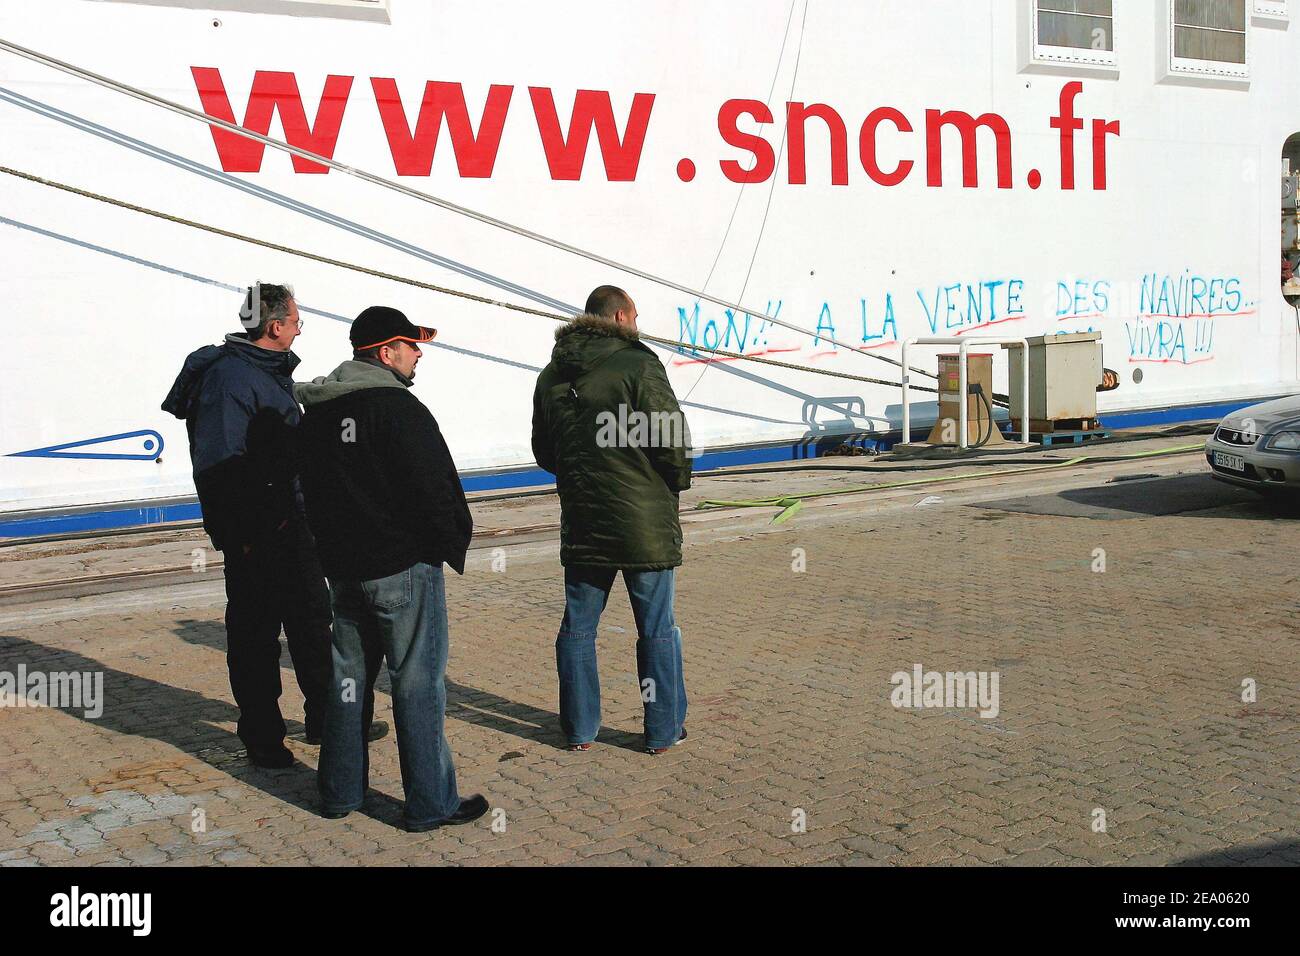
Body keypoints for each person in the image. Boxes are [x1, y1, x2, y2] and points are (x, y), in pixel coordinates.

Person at [162, 284, 385, 769]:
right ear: (275, 326)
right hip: (258, 534)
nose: (301, 329)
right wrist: (242, 535)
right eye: (297, 321)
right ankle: (263, 739)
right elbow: (219, 466)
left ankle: (329, 721)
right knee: (256, 637)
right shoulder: (231, 380)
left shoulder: (265, 373)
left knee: (310, 624)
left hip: (290, 523)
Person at [295, 305, 487, 831]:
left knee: (348, 679)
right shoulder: (400, 410)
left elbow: (309, 491)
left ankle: (338, 792)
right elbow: (436, 488)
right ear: (386, 352)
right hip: (403, 568)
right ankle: (430, 803)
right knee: (417, 683)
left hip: (346, 570)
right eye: (411, 345)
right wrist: (449, 543)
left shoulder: (321, 411)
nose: (418, 354)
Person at [531, 286, 691, 755]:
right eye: (636, 316)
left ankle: (580, 729)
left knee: (579, 626)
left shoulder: (551, 375)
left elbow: (545, 450)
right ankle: (661, 732)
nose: (638, 324)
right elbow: (669, 437)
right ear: (620, 316)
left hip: (584, 519)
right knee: (656, 628)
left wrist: (584, 477)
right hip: (643, 521)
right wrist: (673, 481)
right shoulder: (639, 363)